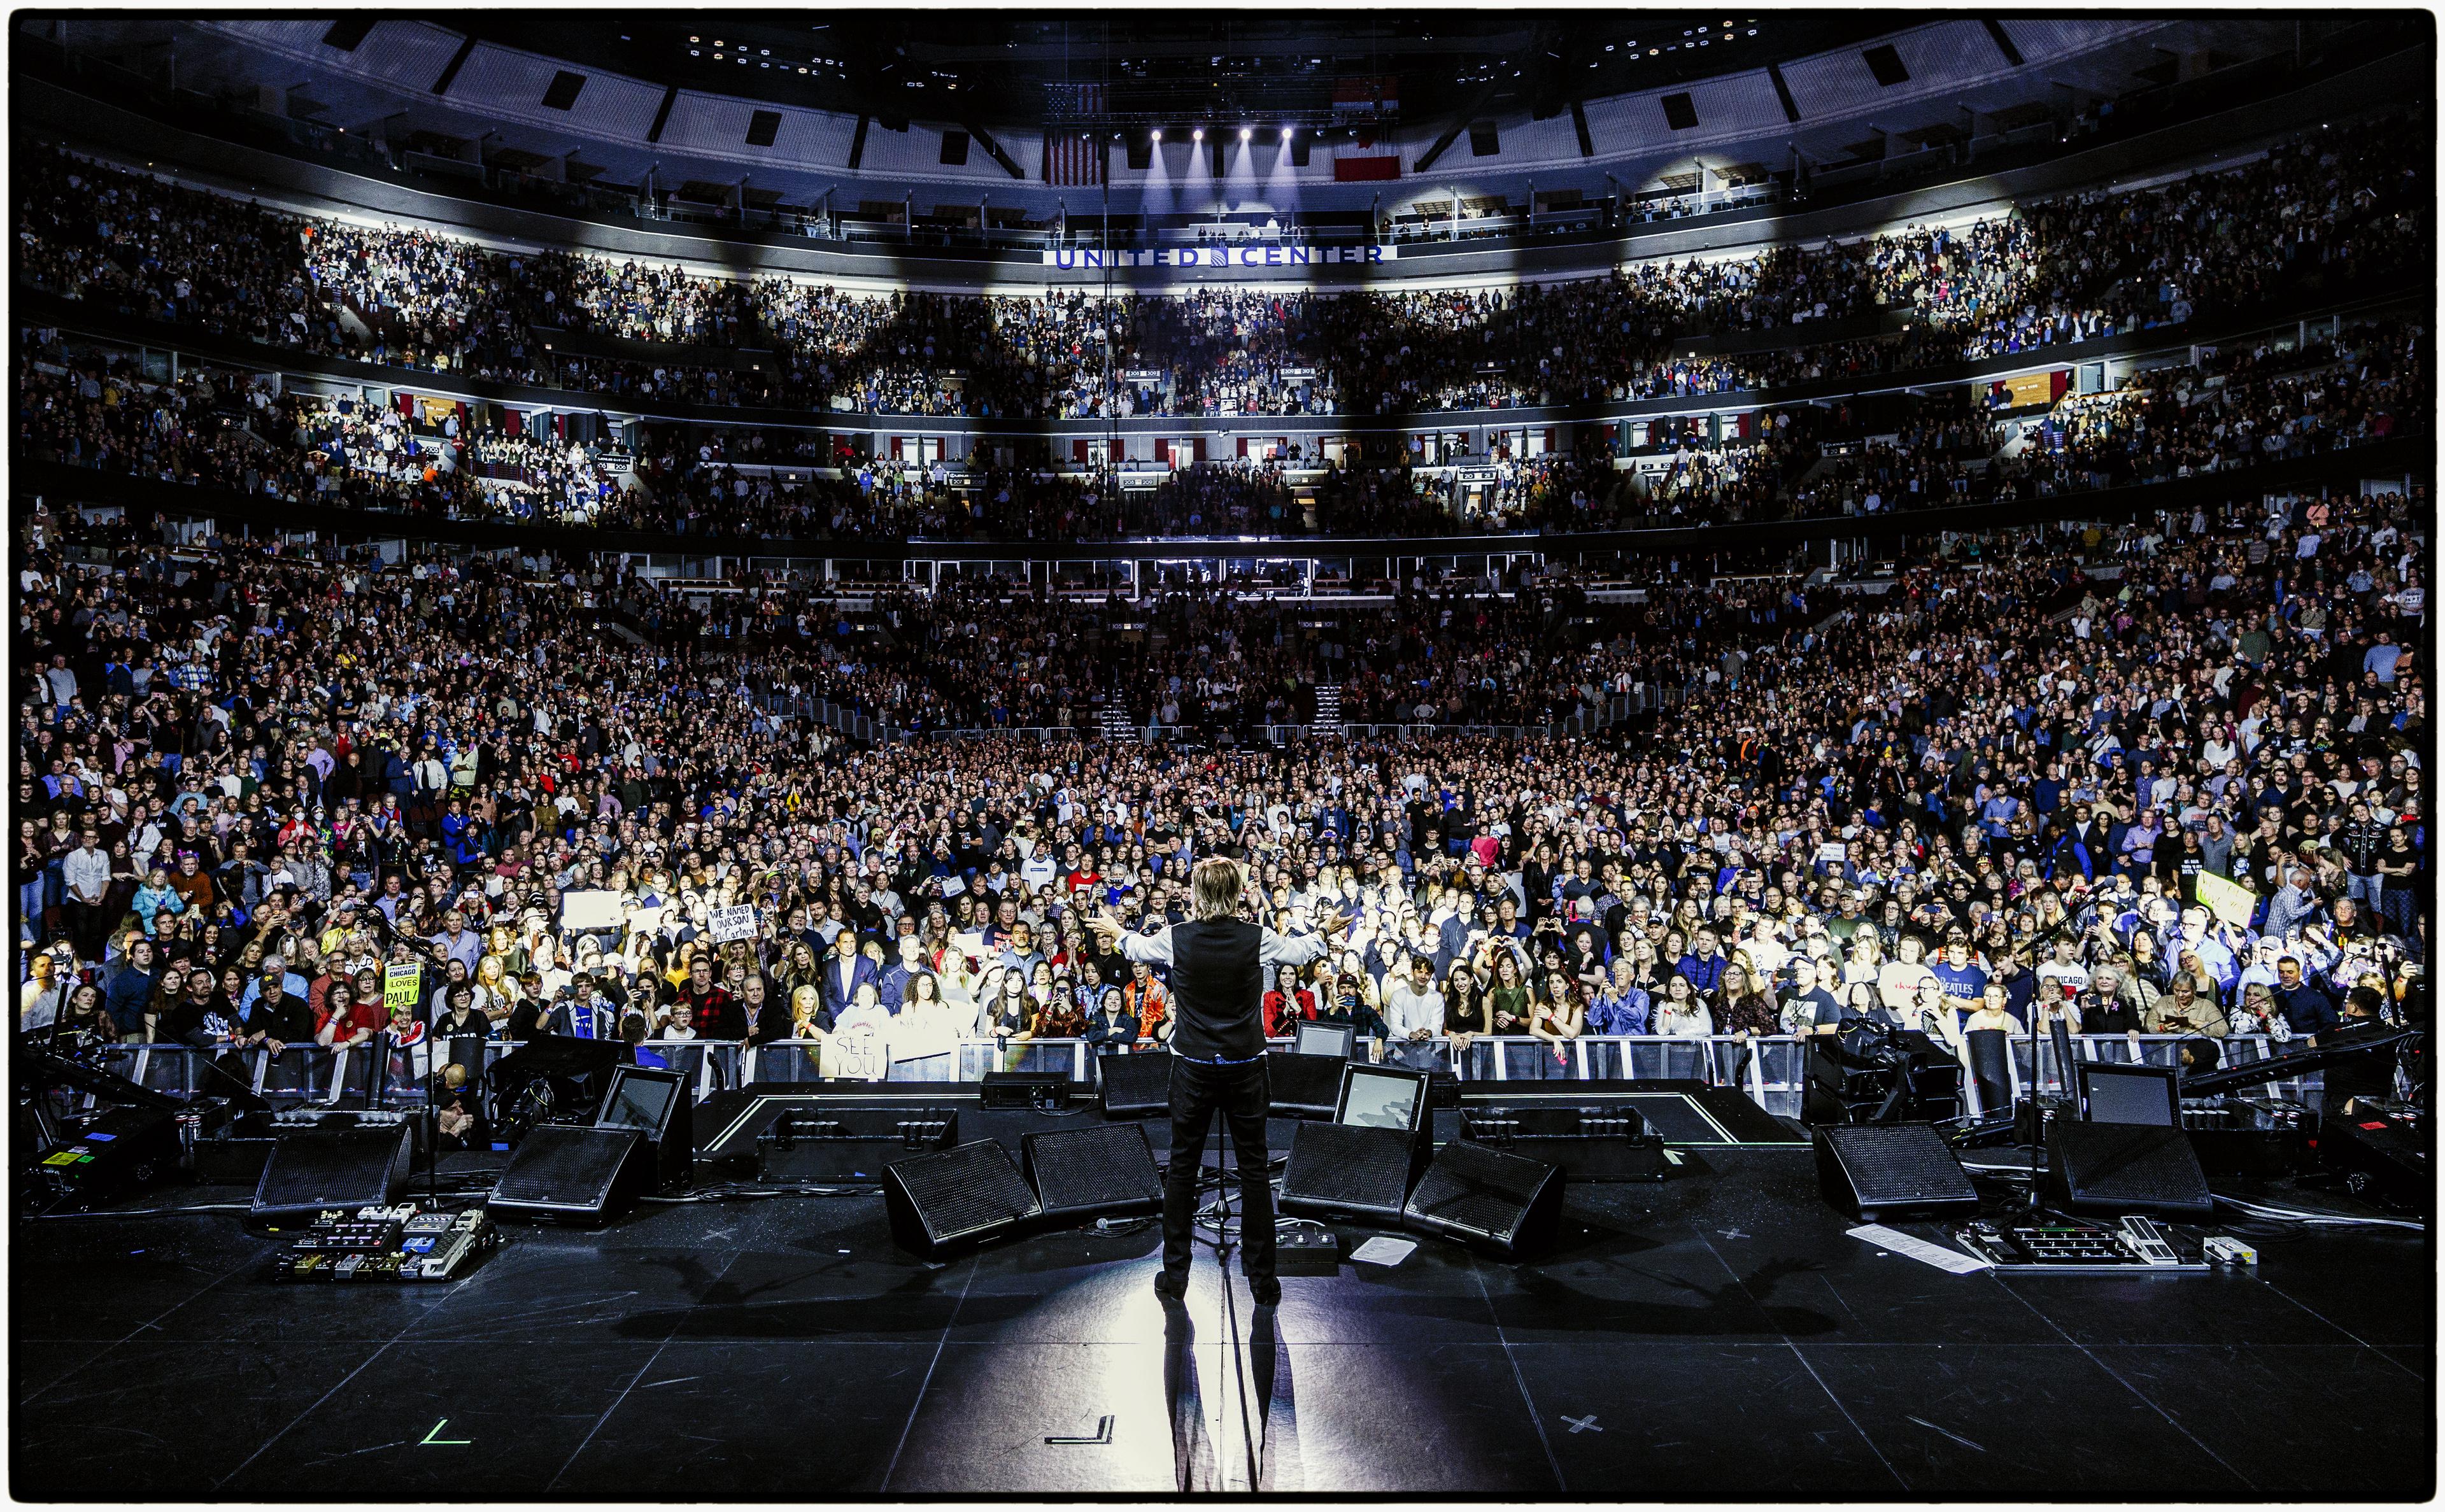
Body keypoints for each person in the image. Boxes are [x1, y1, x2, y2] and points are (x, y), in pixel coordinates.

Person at [1087, 856, 1335, 1304]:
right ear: (1238, 893)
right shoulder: (1256, 937)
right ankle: (1263, 1280)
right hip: (1245, 1068)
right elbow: (1301, 953)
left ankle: (1175, 1276)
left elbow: (1137, 949)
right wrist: (1323, 931)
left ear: (1198, 894)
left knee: (1183, 1169)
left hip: (1194, 1070)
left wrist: (1116, 929)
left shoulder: (1177, 937)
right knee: (1254, 1171)